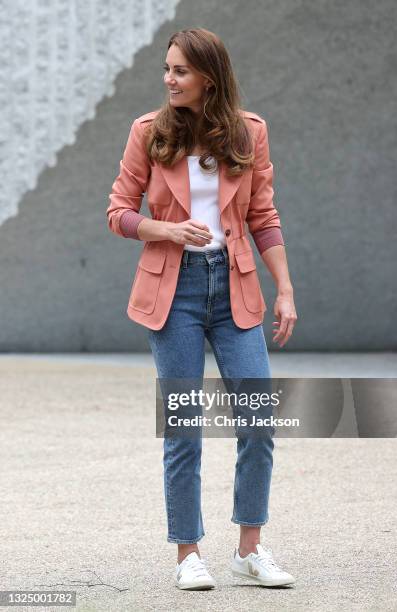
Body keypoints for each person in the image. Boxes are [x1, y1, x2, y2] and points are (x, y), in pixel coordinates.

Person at [107, 28, 298, 590]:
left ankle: (249, 549)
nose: (169, 79)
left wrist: (284, 288)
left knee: (258, 421)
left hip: (234, 287)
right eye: (167, 69)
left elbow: (264, 216)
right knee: (185, 425)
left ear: (209, 78)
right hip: (174, 291)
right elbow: (118, 211)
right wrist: (164, 227)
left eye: (180, 71)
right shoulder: (148, 132)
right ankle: (188, 552)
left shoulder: (248, 132)